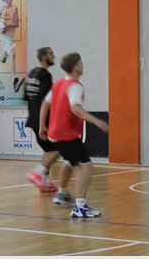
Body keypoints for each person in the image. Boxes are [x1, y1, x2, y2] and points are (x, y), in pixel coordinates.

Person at [39, 52, 109, 218]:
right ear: (76, 67)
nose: (83, 66)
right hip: (66, 134)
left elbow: (45, 104)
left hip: (55, 134)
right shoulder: (75, 86)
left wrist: (42, 126)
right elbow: (75, 107)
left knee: (69, 161)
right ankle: (80, 207)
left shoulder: (58, 83)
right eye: (81, 63)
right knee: (86, 166)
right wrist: (95, 121)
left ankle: (62, 193)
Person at [24, 47, 73, 198]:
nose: (54, 56)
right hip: (44, 120)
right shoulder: (45, 75)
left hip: (32, 118)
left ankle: (45, 182)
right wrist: (46, 123)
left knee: (48, 150)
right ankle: (38, 172)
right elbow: (47, 101)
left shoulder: (31, 73)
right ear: (44, 56)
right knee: (59, 148)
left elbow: (26, 97)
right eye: (51, 54)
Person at [0, 0, 24, 92]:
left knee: (3, 59)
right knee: (12, 54)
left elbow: (16, 24)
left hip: (10, 36)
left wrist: (7, 26)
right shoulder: (2, 8)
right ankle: (15, 81)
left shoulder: (15, 8)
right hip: (4, 36)